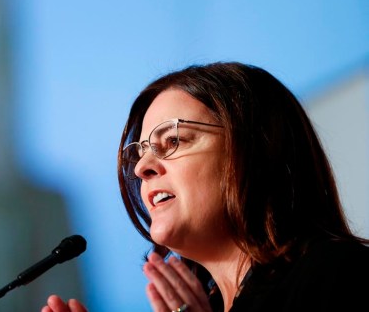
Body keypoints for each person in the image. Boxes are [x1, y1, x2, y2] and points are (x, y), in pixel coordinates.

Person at [41, 62, 369, 312]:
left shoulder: (344, 274)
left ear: (254, 148)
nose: (141, 168)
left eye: (173, 140)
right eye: (139, 154)